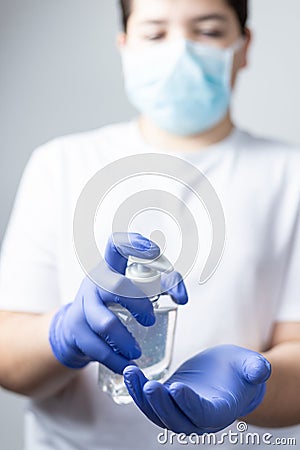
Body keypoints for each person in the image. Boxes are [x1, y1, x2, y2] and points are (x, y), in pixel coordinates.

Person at [0, 0, 300, 449]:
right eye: (156, 34)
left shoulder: (290, 175)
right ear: (125, 46)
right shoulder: (59, 165)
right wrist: (63, 334)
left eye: (209, 31)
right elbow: (7, 355)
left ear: (244, 45)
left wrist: (253, 389)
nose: (180, 51)